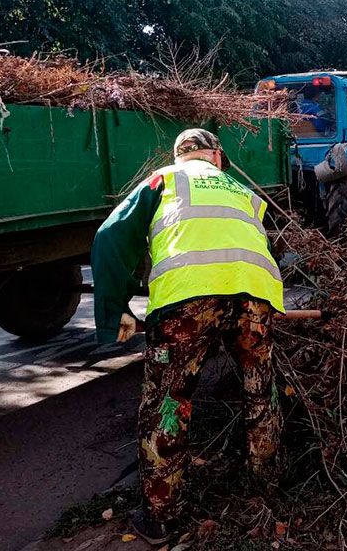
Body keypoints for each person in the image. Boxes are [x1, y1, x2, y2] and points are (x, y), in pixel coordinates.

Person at [92, 128, 285, 545]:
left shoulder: (162, 180)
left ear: (180, 156)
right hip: (254, 296)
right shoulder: (242, 190)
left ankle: (160, 518)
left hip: (187, 302)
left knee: (168, 402)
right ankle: (266, 494)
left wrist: (116, 308)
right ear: (216, 156)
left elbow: (109, 237)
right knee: (259, 393)